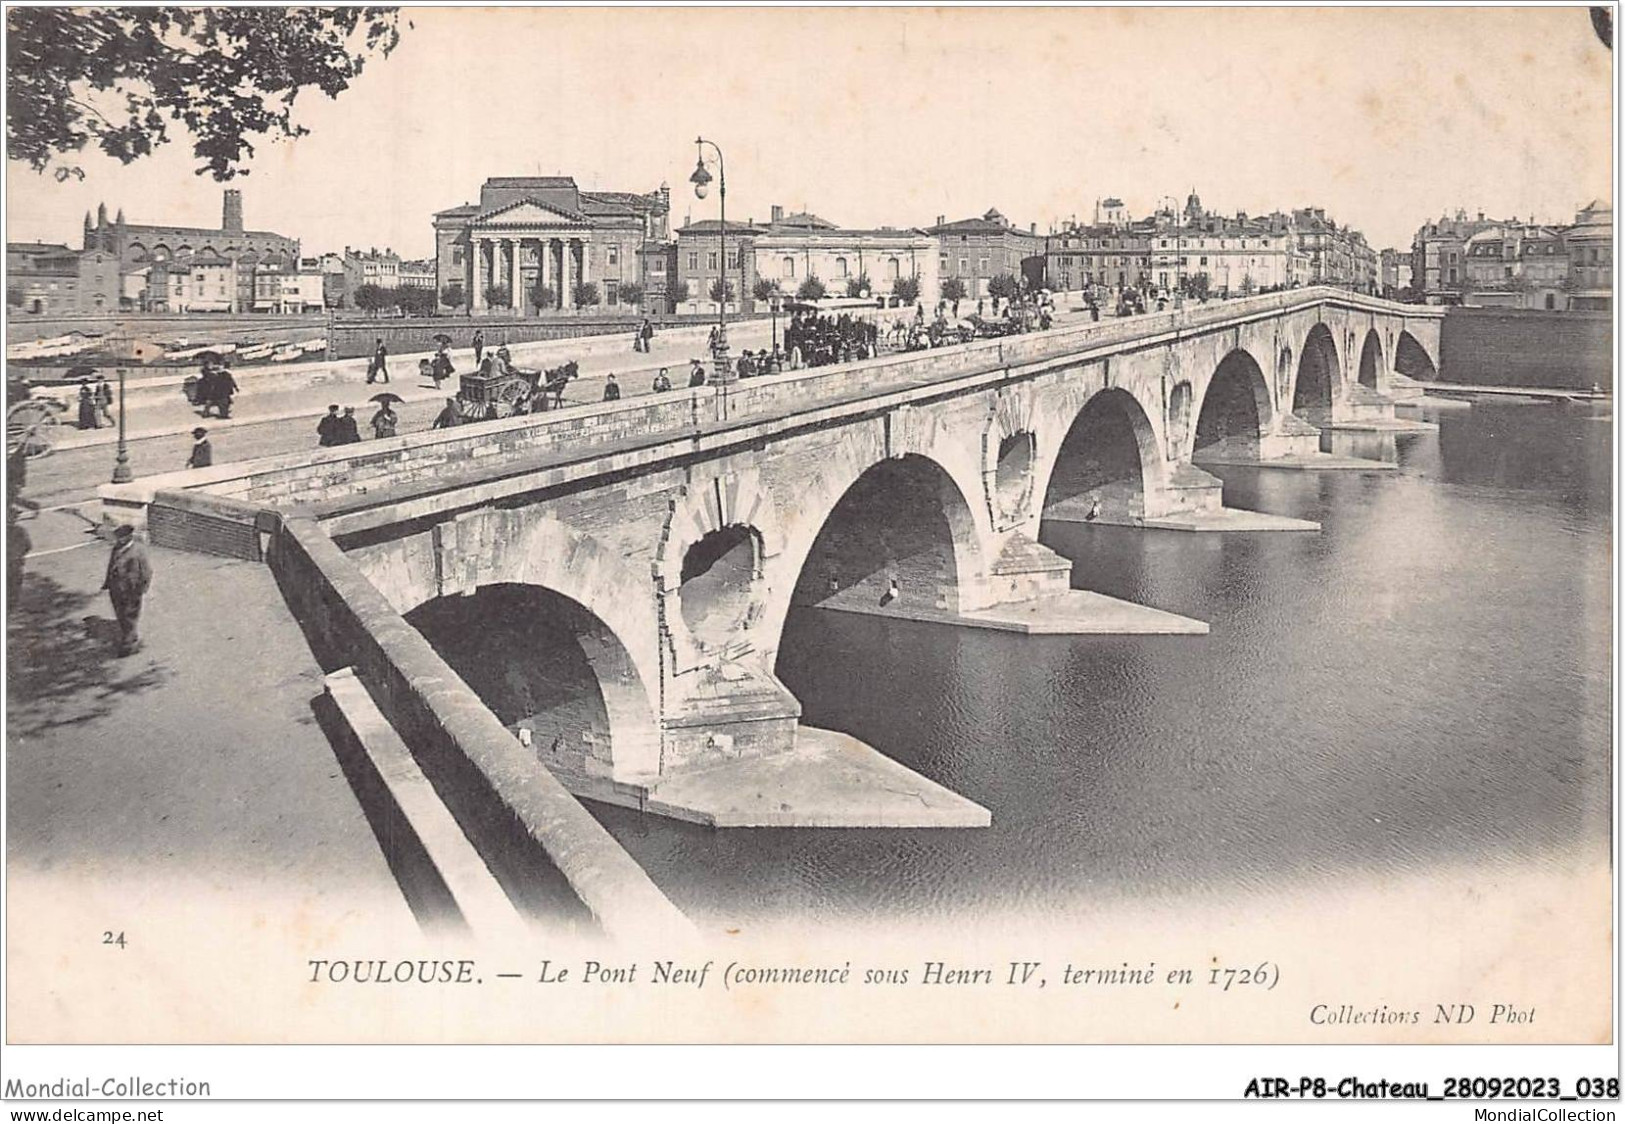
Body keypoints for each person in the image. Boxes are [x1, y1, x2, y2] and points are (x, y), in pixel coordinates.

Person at [102, 523, 152, 657]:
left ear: (129, 537)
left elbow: (147, 571)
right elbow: (111, 566)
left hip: (131, 590)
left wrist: (143, 588)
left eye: (122, 538)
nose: (119, 540)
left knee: (130, 616)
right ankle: (130, 637)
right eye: (118, 538)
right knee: (121, 615)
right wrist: (107, 582)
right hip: (116, 589)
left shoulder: (138, 551)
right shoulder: (116, 548)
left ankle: (128, 645)